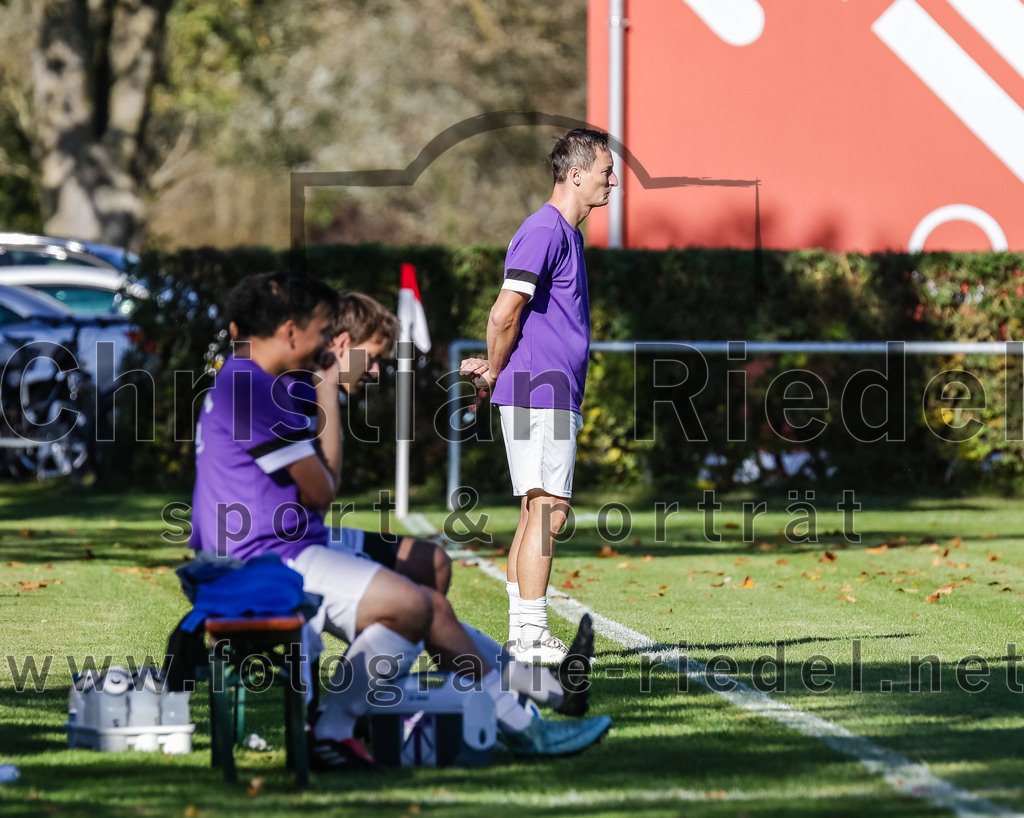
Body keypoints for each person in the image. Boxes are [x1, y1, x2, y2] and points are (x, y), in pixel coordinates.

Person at [191, 270, 611, 770]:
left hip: (277, 542)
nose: (327, 343)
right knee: (416, 606)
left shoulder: (249, 379)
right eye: (323, 332)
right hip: (264, 558)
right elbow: (322, 491)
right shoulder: (259, 388)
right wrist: (327, 386)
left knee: (427, 576)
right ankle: (341, 727)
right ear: (291, 331)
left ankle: (537, 696)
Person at [460, 129, 618, 664]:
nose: (612, 181)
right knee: (550, 510)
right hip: (539, 389)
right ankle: (530, 634)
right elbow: (504, 313)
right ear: (575, 174)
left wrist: (496, 369)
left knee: (536, 510)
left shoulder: (562, 233)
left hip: (543, 388)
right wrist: (495, 369)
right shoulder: (546, 229)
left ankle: (522, 632)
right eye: (605, 171)